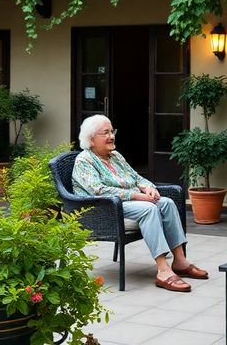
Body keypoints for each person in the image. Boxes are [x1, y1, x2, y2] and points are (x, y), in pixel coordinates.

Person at [72, 115, 208, 293]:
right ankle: (163, 270)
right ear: (91, 139)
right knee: (149, 209)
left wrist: (148, 188)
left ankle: (180, 261)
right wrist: (136, 196)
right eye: (105, 133)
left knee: (166, 203)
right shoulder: (84, 160)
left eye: (112, 131)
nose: (111, 136)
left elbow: (135, 177)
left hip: (125, 203)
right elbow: (98, 190)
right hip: (103, 208)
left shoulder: (115, 156)